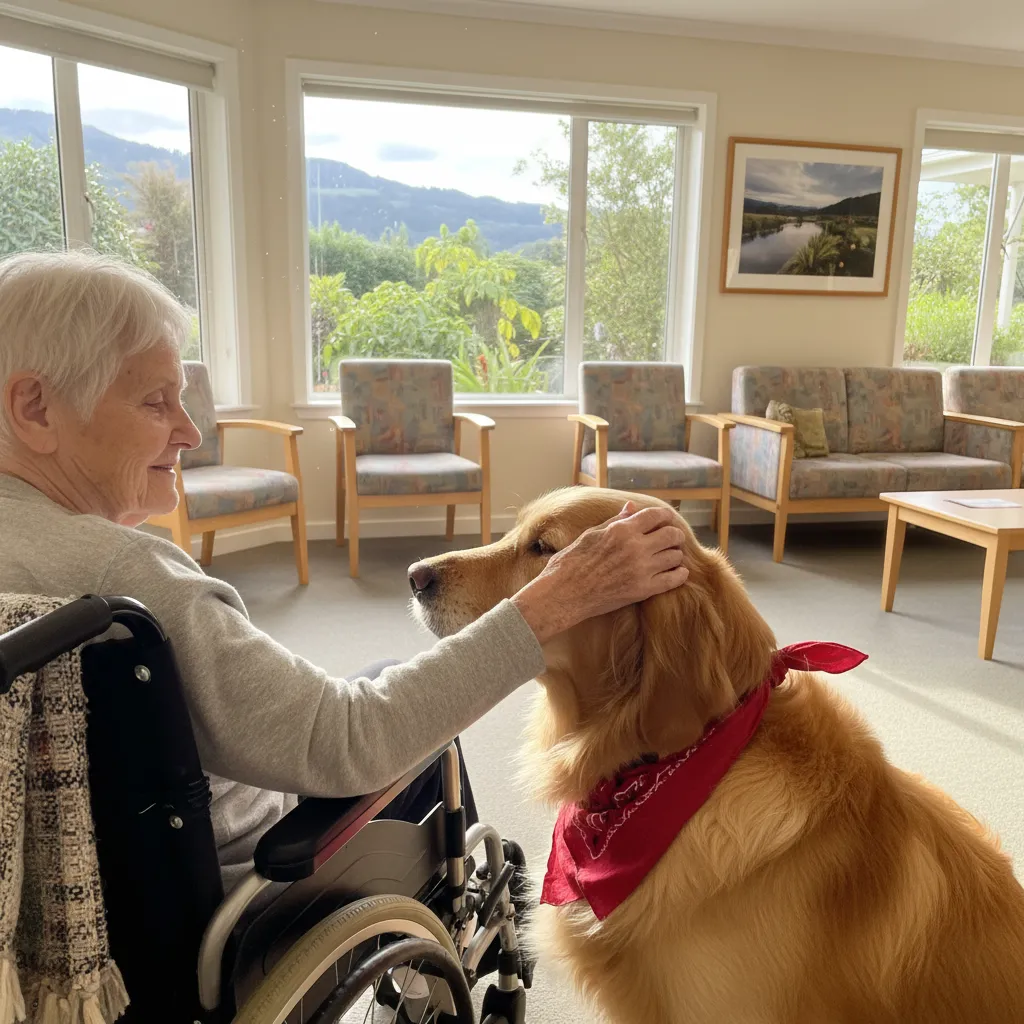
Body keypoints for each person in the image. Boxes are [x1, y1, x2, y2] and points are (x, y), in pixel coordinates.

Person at [0, 250, 689, 891]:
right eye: (156, 401)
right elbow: (349, 741)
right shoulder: (129, 582)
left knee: (386, 674)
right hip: (244, 888)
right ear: (34, 408)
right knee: (423, 725)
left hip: (93, 901)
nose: (188, 431)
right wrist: (555, 601)